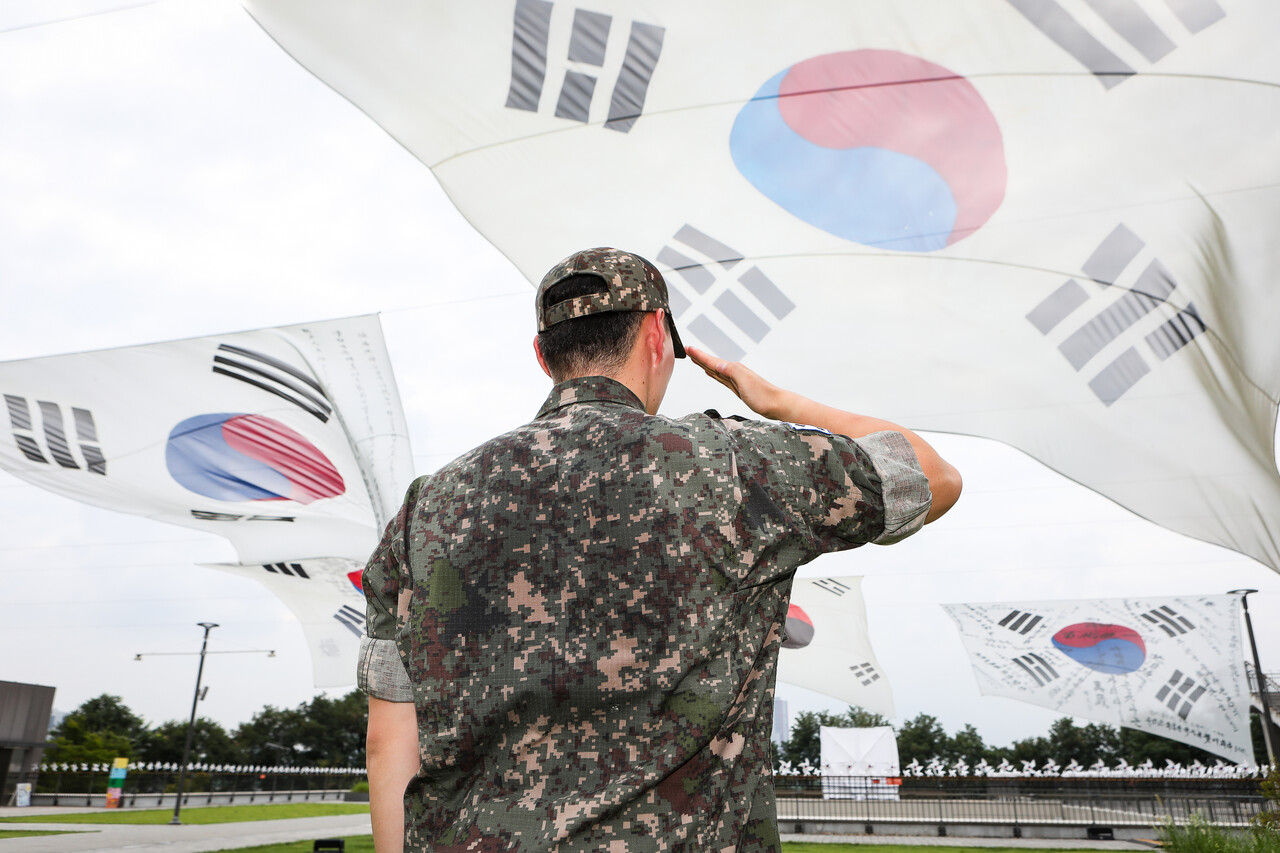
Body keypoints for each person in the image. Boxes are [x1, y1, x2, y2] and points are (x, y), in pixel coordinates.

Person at [359, 247, 961, 852]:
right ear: (657, 335)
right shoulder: (734, 463)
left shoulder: (429, 505)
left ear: (544, 357)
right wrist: (782, 405)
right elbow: (932, 477)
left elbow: (391, 738)